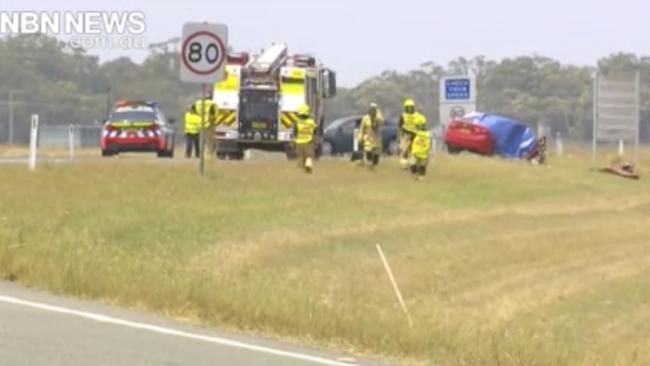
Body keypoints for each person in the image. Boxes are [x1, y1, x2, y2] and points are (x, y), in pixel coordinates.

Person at [399, 99, 427, 168]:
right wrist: (403, 131)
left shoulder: (417, 115)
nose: (409, 109)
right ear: (405, 108)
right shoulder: (403, 115)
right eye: (408, 108)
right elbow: (400, 125)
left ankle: (416, 162)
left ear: (413, 107)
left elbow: (421, 125)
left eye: (411, 107)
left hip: (416, 134)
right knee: (404, 149)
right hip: (406, 134)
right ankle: (404, 163)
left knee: (415, 149)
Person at [192, 87, 218, 160]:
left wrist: (199, 116)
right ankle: (209, 156)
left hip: (201, 124)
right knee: (210, 141)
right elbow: (212, 114)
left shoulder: (198, 103)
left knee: (202, 141)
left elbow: (192, 109)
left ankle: (202, 155)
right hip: (210, 124)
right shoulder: (212, 103)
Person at [357, 103, 384, 169]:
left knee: (376, 156)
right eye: (371, 109)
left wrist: (377, 114)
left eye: (374, 109)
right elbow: (362, 128)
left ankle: (374, 167)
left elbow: (381, 121)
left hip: (376, 139)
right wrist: (360, 137)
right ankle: (369, 167)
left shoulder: (378, 118)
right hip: (368, 139)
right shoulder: (365, 118)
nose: (372, 110)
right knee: (368, 152)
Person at [294, 103, 316, 174]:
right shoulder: (311, 122)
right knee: (309, 156)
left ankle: (301, 170)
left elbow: (295, 132)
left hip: (299, 142)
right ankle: (308, 167)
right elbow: (315, 130)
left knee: (301, 156)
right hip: (308, 141)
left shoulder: (297, 122)